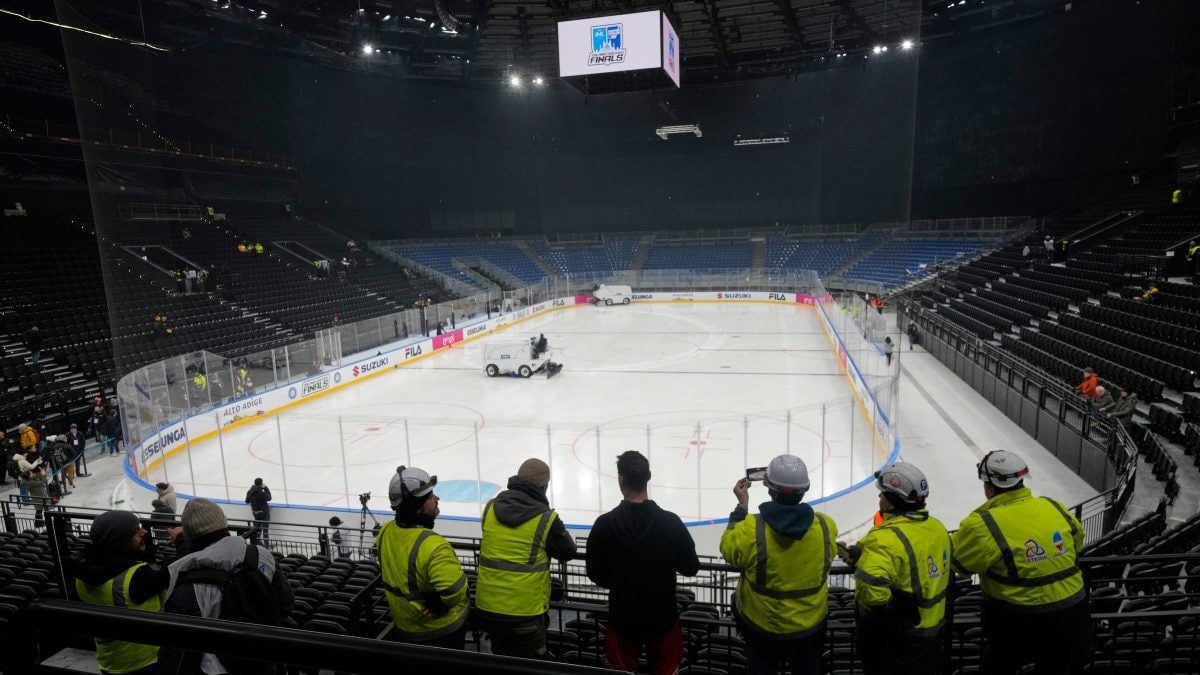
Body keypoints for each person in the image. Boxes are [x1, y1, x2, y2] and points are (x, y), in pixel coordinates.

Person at [951, 451, 1093, 674]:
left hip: (1018, 620)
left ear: (989, 488)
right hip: (1073, 613)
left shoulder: (982, 524)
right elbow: (1077, 540)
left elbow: (959, 565)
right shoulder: (1053, 506)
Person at [720, 455, 838, 675]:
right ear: (805, 489)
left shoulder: (751, 529)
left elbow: (729, 550)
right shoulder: (825, 526)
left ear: (768, 487)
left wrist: (741, 506)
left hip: (762, 630)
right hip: (810, 628)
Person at [587, 450, 699, 674]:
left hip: (622, 615)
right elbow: (690, 567)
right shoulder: (670, 522)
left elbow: (594, 572)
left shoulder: (604, 524)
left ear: (621, 478)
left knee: (620, 671)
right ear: (648, 478)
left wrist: (620, 581)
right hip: (663, 615)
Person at [837, 463, 951, 675]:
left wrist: (893, 610)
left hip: (897, 642)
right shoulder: (938, 528)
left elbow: (873, 593)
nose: (879, 498)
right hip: (933, 633)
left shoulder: (884, 539)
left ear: (890, 503)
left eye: (882, 495)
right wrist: (862, 556)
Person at [161, 499, 293, 675]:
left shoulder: (187, 586)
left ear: (188, 534)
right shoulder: (261, 555)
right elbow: (286, 602)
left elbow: (178, 657)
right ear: (224, 522)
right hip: (267, 660)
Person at [476, 458, 576, 659]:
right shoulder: (546, 519)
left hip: (488, 608)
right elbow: (568, 551)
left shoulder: (490, 508)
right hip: (524, 613)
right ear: (543, 486)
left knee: (500, 657)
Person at [376, 466, 469, 647]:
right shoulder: (433, 546)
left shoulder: (385, 530)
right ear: (417, 508)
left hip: (405, 628)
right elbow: (455, 592)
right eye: (429, 497)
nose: (436, 499)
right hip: (442, 632)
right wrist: (439, 603)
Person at [73, 511, 171, 675]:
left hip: (110, 661)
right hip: (146, 660)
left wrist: (139, 549)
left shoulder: (82, 573)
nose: (144, 532)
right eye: (135, 531)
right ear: (120, 540)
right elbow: (178, 568)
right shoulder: (138, 577)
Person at [245, 477, 272, 545]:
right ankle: (266, 546)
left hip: (256, 514)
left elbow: (247, 501)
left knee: (257, 531)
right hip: (264, 514)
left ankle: (258, 544)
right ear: (261, 484)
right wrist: (265, 488)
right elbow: (269, 498)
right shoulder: (261, 493)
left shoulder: (250, 492)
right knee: (265, 531)